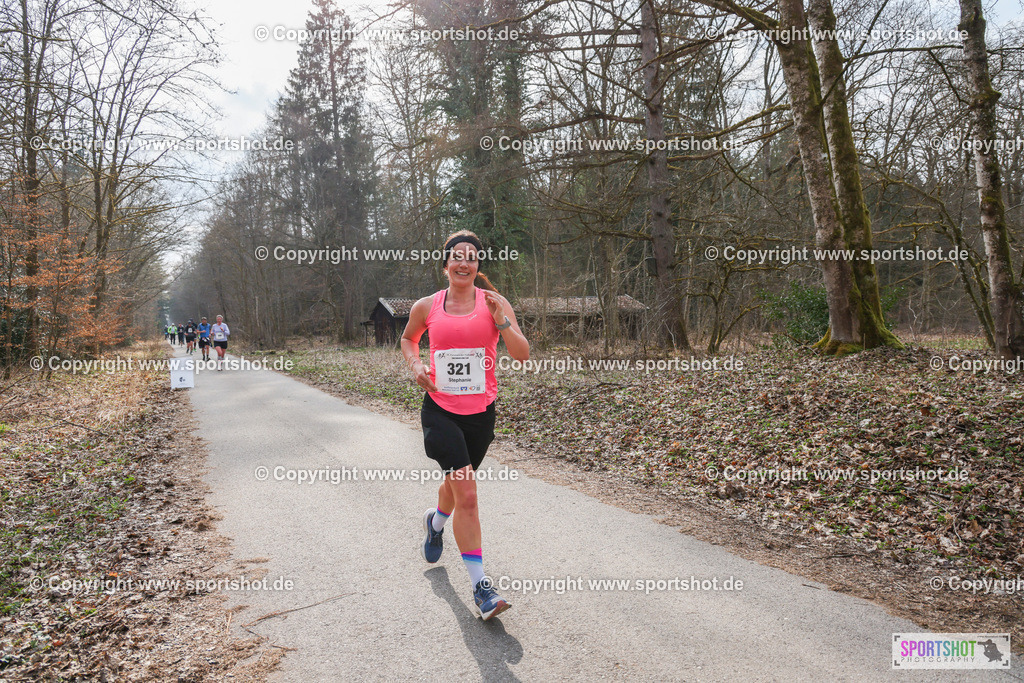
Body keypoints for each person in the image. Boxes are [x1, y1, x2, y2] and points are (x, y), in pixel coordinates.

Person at [400, 230, 529, 621]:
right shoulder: (427, 306)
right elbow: (408, 339)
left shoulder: (495, 303)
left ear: (477, 266)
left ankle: (435, 521)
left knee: (458, 485)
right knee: (468, 495)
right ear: (446, 264)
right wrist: (416, 366)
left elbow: (522, 354)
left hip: (481, 415)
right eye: (457, 255)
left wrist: (501, 321)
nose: (464, 262)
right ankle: (481, 588)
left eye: (471, 257)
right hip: (440, 410)